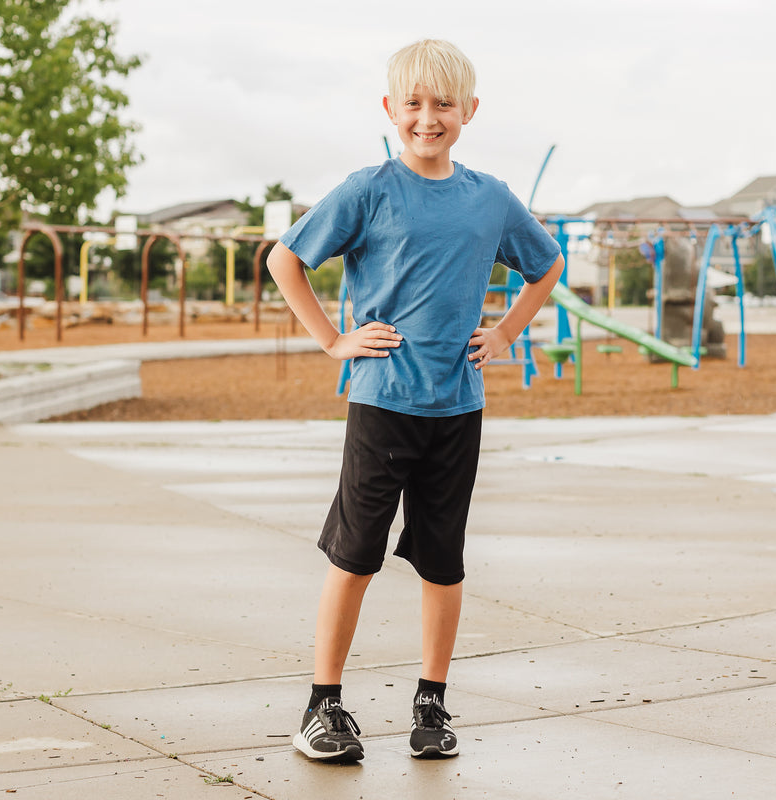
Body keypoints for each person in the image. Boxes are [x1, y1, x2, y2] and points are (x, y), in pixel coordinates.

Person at [266, 39, 565, 763]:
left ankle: (430, 703)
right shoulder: (369, 189)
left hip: (457, 407)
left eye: (443, 105)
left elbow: (547, 262)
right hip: (382, 403)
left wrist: (504, 332)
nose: (427, 118)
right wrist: (334, 341)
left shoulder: (489, 197)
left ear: (469, 111)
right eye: (414, 104)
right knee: (356, 557)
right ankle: (322, 705)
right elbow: (285, 259)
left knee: (443, 562)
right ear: (390, 110)